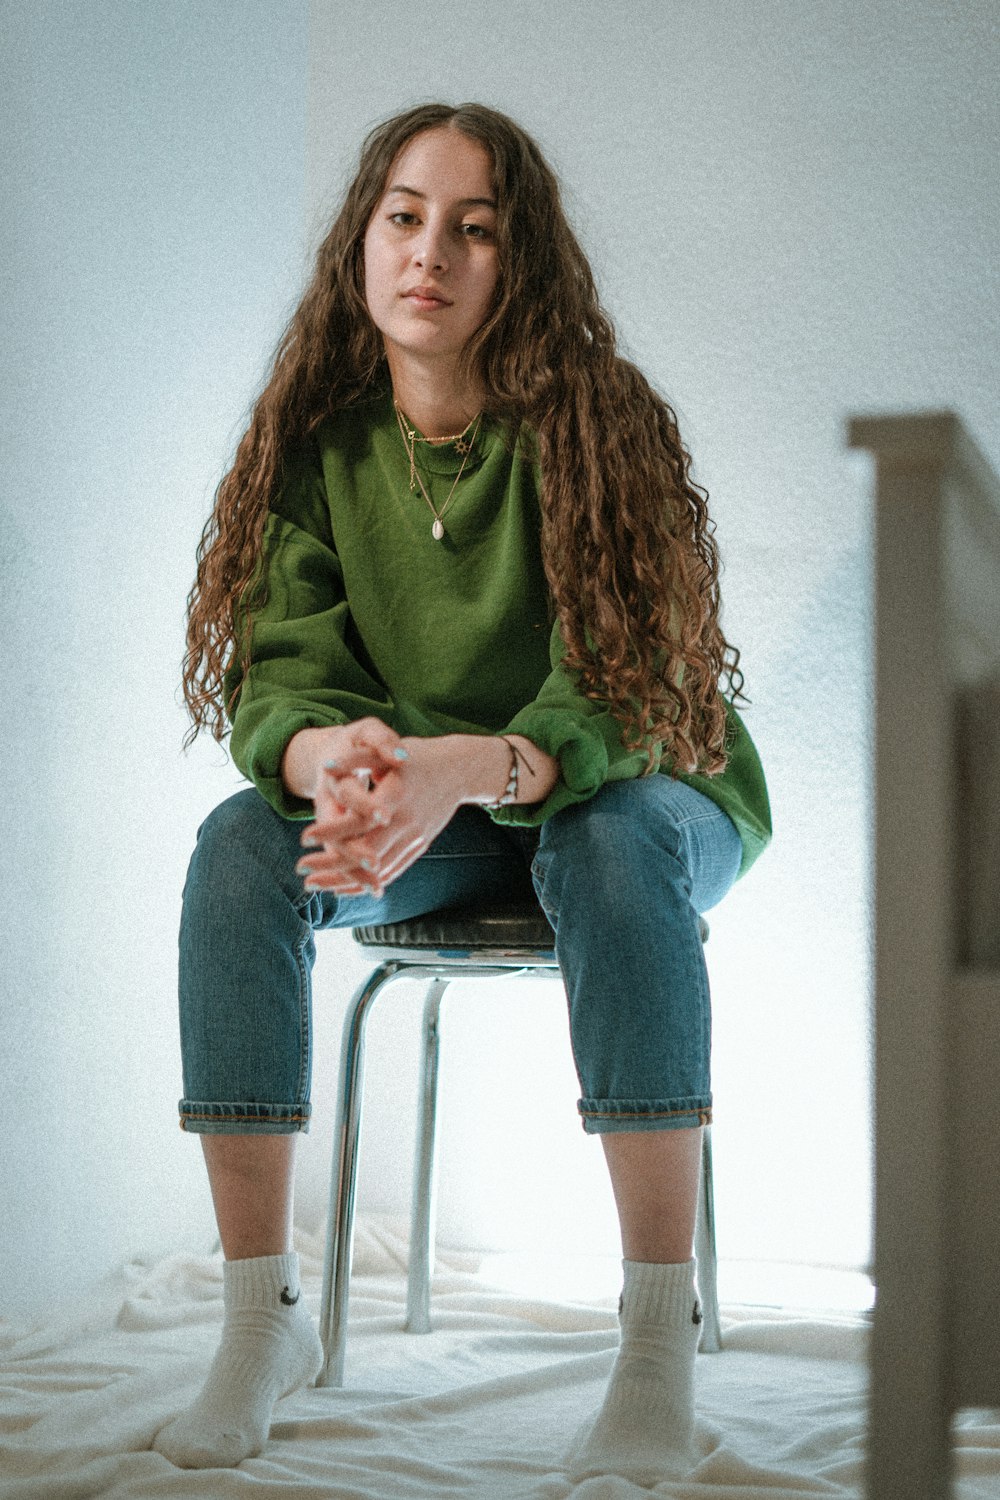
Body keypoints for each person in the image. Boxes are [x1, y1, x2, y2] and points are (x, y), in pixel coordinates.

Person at [153, 101, 771, 1480]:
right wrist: (342, 768)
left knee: (609, 849)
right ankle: (262, 1321)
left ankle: (656, 1343)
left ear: (519, 265)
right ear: (362, 245)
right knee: (239, 847)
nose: (430, 252)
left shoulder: (593, 428)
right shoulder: (318, 447)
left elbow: (626, 688)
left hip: (639, 797)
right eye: (405, 217)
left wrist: (466, 766)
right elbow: (280, 685)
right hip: (435, 824)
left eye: (474, 229)